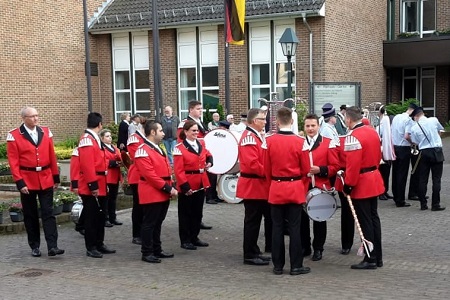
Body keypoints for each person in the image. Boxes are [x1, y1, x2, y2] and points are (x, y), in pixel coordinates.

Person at [6, 106, 64, 257]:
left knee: (48, 212)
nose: (36, 119)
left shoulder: (45, 131)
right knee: (30, 215)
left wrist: (55, 177)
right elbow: (14, 162)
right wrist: (19, 182)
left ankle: (53, 246)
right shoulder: (14, 135)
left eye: (37, 115)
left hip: (45, 178)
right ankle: (35, 246)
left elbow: (52, 155)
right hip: (27, 180)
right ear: (23, 118)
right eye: (32, 116)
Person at [263, 107, 310, 276]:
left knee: (277, 228)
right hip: (295, 187)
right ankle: (296, 265)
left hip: (276, 187)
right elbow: (306, 170)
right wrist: (301, 186)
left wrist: (273, 184)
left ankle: (278, 266)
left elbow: (266, 170)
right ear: (292, 121)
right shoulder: (300, 141)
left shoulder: (268, 141)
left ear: (276, 121)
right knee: (295, 229)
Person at [343, 106, 384, 269]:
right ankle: (377, 255)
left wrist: (348, 185)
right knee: (374, 219)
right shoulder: (372, 131)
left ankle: (370, 257)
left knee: (364, 220)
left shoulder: (353, 137)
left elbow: (352, 166)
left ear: (348, 119)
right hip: (374, 177)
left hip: (362, 182)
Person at [134, 121, 178, 263]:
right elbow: (150, 175)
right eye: (160, 130)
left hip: (161, 190)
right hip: (152, 191)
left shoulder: (158, 147)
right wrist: (167, 188)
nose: (163, 133)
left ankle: (156, 249)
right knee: (149, 223)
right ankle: (147, 252)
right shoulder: (142, 150)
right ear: (152, 132)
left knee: (158, 222)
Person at [300, 114, 339, 261]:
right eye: (307, 126)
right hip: (303, 186)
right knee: (302, 220)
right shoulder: (299, 143)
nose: (310, 129)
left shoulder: (328, 143)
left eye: (313, 126)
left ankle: (318, 248)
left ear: (318, 126)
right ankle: (305, 247)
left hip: (321, 187)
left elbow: (335, 167)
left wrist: (321, 170)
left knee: (320, 220)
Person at [77, 112, 116, 258]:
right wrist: (93, 186)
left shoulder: (94, 139)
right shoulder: (87, 140)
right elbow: (87, 165)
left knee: (100, 216)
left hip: (101, 181)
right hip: (92, 184)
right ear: (100, 124)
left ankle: (99, 243)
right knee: (91, 217)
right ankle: (91, 246)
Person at [237, 108, 271, 266]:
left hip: (258, 185)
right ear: (253, 121)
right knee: (252, 221)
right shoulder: (249, 138)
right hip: (253, 185)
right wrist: (270, 173)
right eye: (262, 119)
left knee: (255, 221)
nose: (265, 121)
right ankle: (249, 254)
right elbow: (252, 165)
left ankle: (254, 250)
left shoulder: (255, 136)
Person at [173, 120, 213, 250]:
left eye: (197, 130)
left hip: (201, 181)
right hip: (188, 182)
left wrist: (209, 161)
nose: (196, 133)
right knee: (185, 213)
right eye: (193, 131)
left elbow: (207, 153)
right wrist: (185, 186)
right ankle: (185, 240)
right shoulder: (179, 148)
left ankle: (194, 237)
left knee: (197, 212)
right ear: (185, 132)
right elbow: (178, 170)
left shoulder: (201, 142)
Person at [177, 100, 212, 230]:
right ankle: (187, 235)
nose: (200, 111)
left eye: (201, 108)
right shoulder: (184, 124)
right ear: (190, 110)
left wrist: (209, 159)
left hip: (200, 167)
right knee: (187, 210)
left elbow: (202, 144)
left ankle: (196, 226)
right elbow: (182, 142)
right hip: (189, 167)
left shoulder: (199, 123)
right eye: (198, 108)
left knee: (198, 207)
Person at [409, 107, 446, 211]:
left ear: (416, 116)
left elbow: (415, 142)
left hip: (424, 152)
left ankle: (423, 204)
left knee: (423, 179)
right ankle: (435, 204)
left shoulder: (414, 128)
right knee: (436, 179)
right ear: (423, 113)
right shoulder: (433, 120)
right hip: (437, 151)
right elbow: (440, 130)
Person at [391, 104, 417, 207]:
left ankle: (395, 195)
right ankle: (400, 200)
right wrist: (412, 143)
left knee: (395, 173)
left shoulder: (397, 117)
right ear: (412, 111)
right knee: (402, 174)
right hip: (404, 148)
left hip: (395, 146)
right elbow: (407, 136)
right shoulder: (408, 120)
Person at [127, 123, 147, 245]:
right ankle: (136, 234)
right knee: (138, 207)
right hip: (137, 176)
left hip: (145, 176)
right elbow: (137, 157)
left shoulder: (144, 139)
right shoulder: (134, 138)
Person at [100, 129, 123, 227]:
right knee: (106, 199)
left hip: (115, 175)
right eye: (107, 136)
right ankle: (105, 219)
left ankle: (113, 218)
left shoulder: (114, 147)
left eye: (110, 136)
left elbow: (120, 157)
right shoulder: (101, 148)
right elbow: (102, 161)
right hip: (108, 176)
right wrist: (114, 163)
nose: (110, 138)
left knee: (113, 198)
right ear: (102, 138)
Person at [376, 106, 395, 200]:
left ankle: (385, 190)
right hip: (382, 151)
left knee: (386, 173)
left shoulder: (384, 123)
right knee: (382, 174)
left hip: (386, 149)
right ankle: (381, 192)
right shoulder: (378, 125)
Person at [70, 147, 84, 235]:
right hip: (81, 183)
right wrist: (75, 185)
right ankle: (80, 225)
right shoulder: (77, 151)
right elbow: (74, 169)